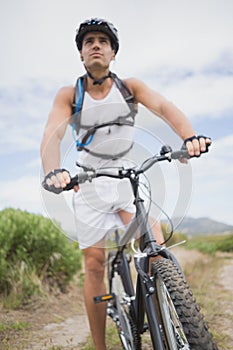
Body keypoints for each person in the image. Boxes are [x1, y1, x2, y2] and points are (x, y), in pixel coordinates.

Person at [41, 18, 211, 350]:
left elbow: (163, 107)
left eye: (103, 41)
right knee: (94, 262)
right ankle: (101, 345)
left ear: (113, 53)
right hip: (88, 179)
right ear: (81, 54)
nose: (95, 45)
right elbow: (54, 133)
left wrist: (189, 137)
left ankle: (166, 313)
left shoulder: (129, 87)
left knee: (154, 247)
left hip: (126, 174)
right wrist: (53, 172)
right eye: (89, 41)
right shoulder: (70, 94)